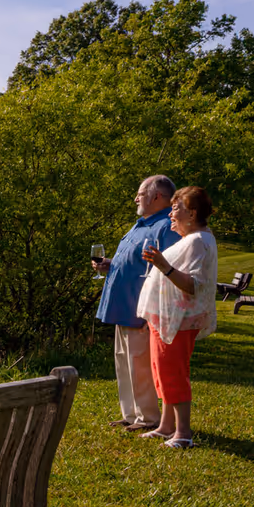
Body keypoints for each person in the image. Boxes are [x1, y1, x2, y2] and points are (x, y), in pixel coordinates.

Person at [95, 175, 181, 431]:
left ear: (157, 197)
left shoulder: (166, 227)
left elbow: (169, 269)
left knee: (140, 365)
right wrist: (110, 264)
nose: (136, 198)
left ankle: (148, 418)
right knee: (124, 362)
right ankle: (130, 414)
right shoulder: (141, 225)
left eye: (141, 193)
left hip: (141, 309)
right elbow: (136, 262)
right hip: (122, 306)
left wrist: (154, 310)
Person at [136, 186, 219, 449]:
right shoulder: (194, 238)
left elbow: (194, 284)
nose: (171, 213)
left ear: (192, 213)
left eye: (176, 208)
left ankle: (183, 434)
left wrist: (164, 265)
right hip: (169, 318)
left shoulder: (198, 241)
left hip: (179, 321)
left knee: (173, 374)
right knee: (163, 372)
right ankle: (165, 426)